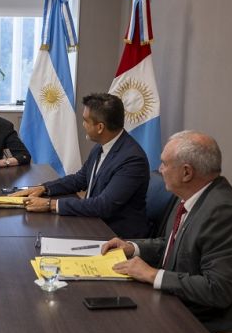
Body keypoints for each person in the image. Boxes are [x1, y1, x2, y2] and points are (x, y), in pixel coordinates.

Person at [102, 130, 232, 333]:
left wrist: (153, 274)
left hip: (220, 332)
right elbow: (175, 244)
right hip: (188, 310)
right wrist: (133, 247)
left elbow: (218, 290)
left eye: (164, 163)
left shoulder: (224, 214)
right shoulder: (193, 197)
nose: (159, 169)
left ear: (186, 172)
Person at [12, 93, 149, 238]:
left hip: (115, 235)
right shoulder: (102, 146)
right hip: (93, 223)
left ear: (100, 127)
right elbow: (80, 179)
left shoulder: (132, 160)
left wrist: (50, 204)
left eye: (85, 121)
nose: (83, 125)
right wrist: (44, 188)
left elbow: (103, 205)